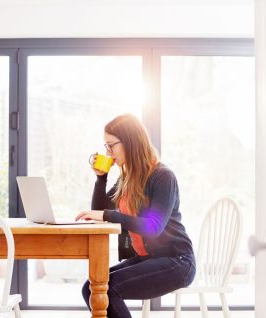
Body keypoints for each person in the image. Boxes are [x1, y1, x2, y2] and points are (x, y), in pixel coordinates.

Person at [76, 113, 195, 318]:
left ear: (130, 142)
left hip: (178, 261)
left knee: (109, 289)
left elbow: (153, 227)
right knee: (91, 287)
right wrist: (101, 178)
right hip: (148, 258)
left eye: (111, 145)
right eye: (106, 146)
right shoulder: (128, 178)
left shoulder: (162, 176)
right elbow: (99, 212)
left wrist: (109, 215)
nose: (108, 151)